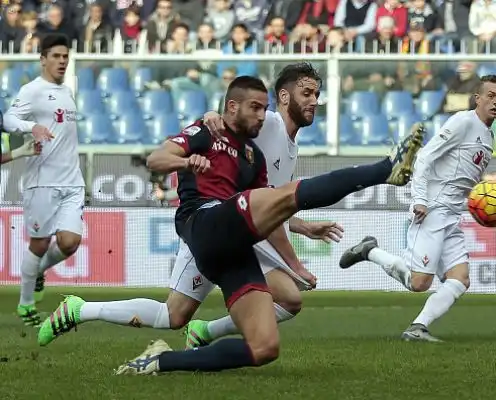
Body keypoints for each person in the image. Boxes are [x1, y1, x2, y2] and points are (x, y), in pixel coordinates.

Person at [110, 74, 422, 374]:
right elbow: (157, 159)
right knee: (288, 194)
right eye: (256, 108)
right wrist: (192, 150)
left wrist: (295, 262)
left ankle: (159, 362)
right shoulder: (249, 125)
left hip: (232, 245)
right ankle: (385, 169)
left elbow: (271, 214)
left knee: (264, 348)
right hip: (205, 220)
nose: (261, 115)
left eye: (263, 108)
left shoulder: (255, 156)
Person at [36, 63, 344, 347]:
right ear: (283, 96)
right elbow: (229, 120)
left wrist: (303, 227)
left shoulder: (290, 148)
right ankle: (81, 309)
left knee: (289, 300)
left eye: (316, 93)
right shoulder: (270, 124)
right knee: (173, 316)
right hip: (213, 226)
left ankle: (205, 331)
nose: (315, 100)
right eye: (306, 93)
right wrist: (211, 114)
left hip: (241, 234)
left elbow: (265, 202)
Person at [338, 75, 496, 343]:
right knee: (419, 283)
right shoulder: (463, 122)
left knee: (460, 279)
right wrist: (420, 198)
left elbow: (462, 173)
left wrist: (485, 194)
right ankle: (369, 251)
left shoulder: (488, 135)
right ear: (477, 98)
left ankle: (418, 327)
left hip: (453, 215)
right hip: (432, 210)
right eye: (490, 95)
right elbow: (425, 156)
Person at [3, 33, 84, 327]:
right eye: (56, 56)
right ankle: (25, 304)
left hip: (72, 180)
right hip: (42, 180)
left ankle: (37, 272)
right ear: (43, 59)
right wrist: (31, 126)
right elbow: (9, 119)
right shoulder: (33, 90)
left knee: (71, 242)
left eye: (65, 56)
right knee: (39, 244)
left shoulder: (68, 90)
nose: (62, 61)